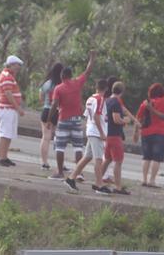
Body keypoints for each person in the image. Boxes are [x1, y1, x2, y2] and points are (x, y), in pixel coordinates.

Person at [49, 52, 96, 180]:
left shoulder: (59, 88)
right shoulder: (77, 83)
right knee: (78, 147)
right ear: (71, 75)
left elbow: (54, 104)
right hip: (76, 120)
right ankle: (78, 173)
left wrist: (49, 119)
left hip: (63, 119)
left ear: (62, 75)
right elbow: (88, 71)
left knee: (60, 147)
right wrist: (92, 58)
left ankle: (60, 172)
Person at [68, 78, 111, 194]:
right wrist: (102, 132)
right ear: (106, 89)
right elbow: (97, 116)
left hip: (90, 129)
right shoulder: (100, 99)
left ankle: (71, 178)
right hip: (96, 132)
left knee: (87, 156)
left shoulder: (90, 99)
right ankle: (99, 184)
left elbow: (87, 115)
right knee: (98, 159)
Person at [100, 81, 135, 195]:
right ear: (122, 91)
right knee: (118, 161)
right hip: (115, 135)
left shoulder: (107, 100)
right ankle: (118, 187)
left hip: (108, 133)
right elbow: (116, 119)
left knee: (107, 159)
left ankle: (98, 180)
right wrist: (126, 120)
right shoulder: (115, 102)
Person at [0, 55, 25, 167]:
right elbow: (8, 94)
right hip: (6, 108)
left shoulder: (9, 76)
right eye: (17, 65)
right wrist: (18, 107)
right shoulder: (7, 76)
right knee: (4, 133)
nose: (18, 67)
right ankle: (0, 157)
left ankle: (4, 156)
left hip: (9, 109)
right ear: (11, 65)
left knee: (8, 134)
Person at [38, 62, 63, 171]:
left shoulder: (47, 84)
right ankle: (60, 164)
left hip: (46, 110)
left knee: (46, 137)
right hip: (58, 112)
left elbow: (41, 97)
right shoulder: (62, 85)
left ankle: (44, 162)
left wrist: (46, 102)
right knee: (59, 138)